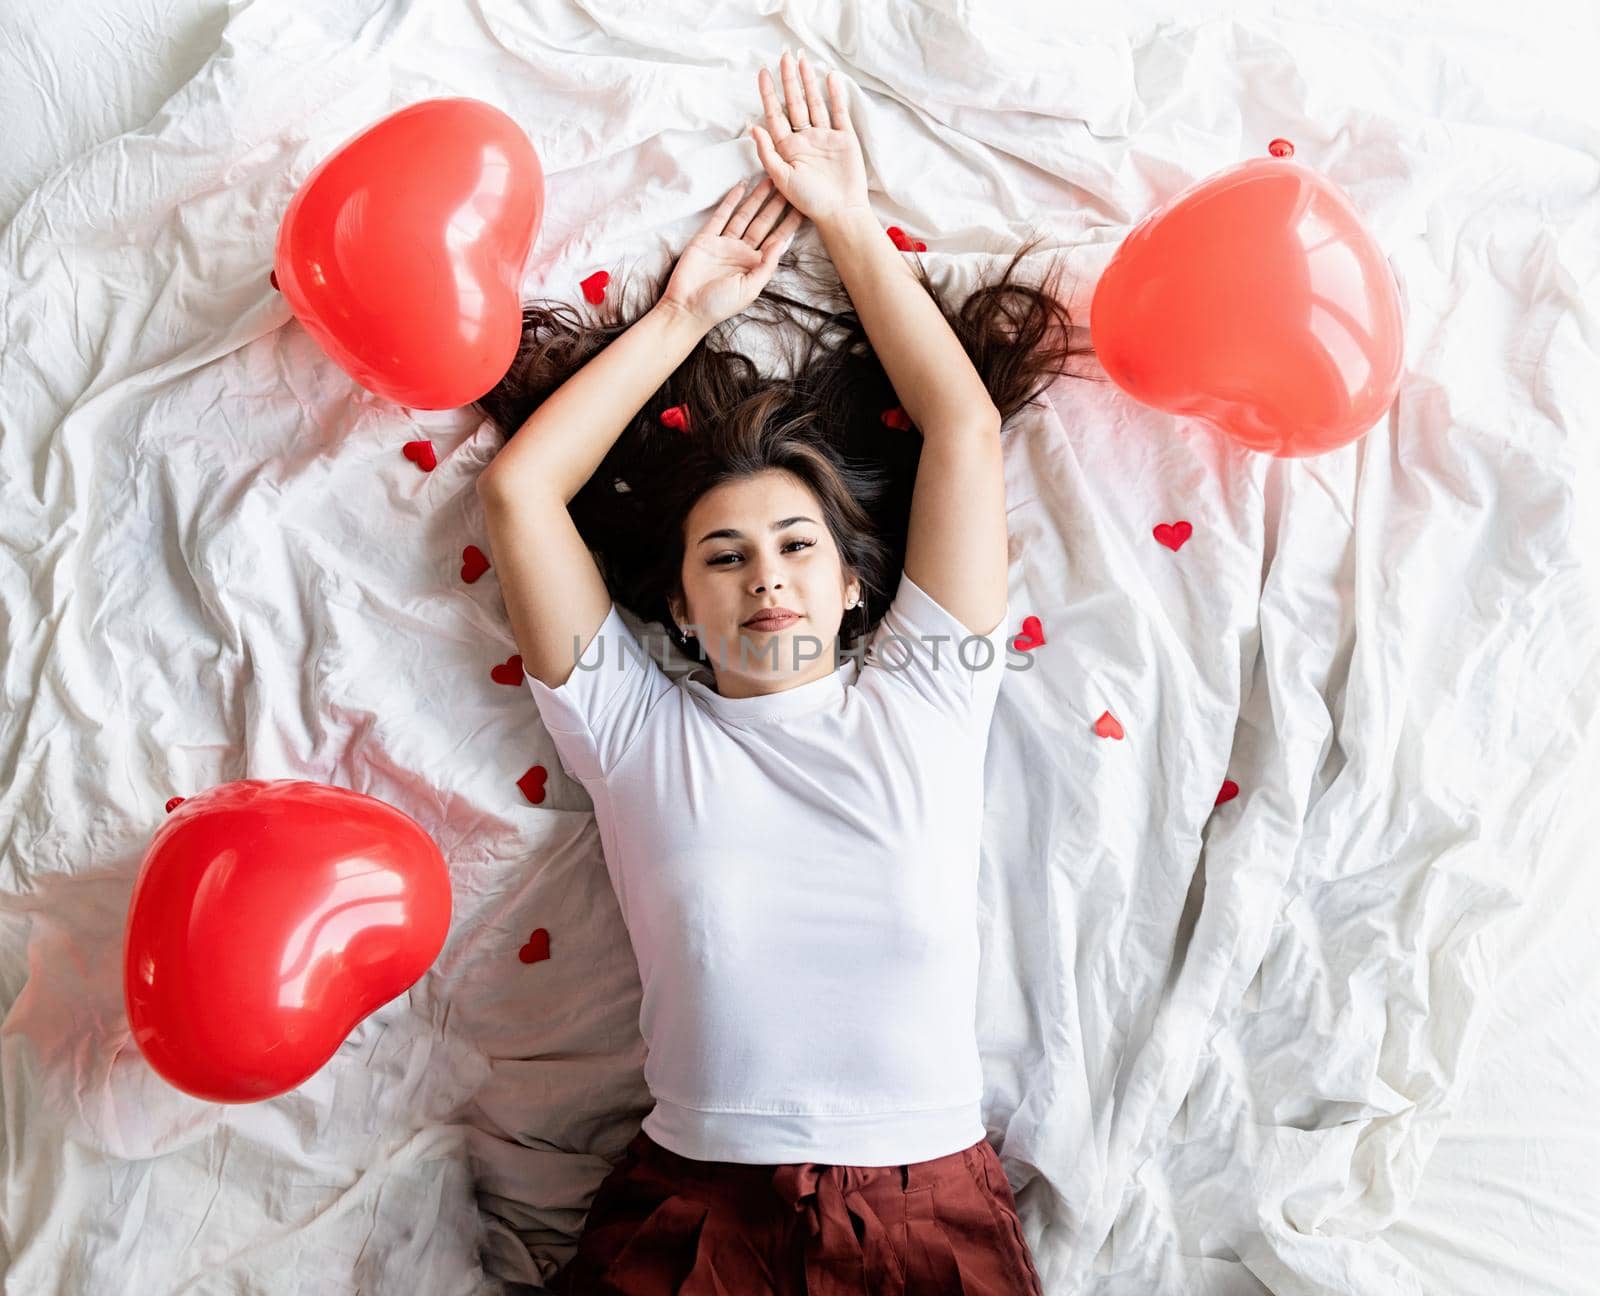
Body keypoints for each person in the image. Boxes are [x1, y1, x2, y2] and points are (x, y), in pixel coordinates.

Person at [475, 48, 1092, 1296]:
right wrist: (684, 314)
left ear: (857, 586)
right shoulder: (634, 730)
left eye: (798, 545)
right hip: (692, 1208)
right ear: (683, 611)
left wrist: (847, 220)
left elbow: (965, 428)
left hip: (927, 1215)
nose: (768, 575)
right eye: (726, 554)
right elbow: (520, 491)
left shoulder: (927, 693)